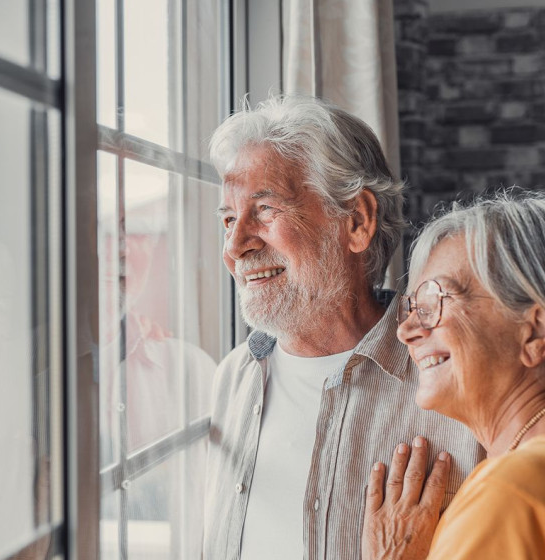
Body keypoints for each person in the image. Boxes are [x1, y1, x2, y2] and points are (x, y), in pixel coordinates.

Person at [202, 95, 483, 560]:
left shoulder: (456, 381)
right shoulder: (233, 377)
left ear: (356, 221)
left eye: (264, 209)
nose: (235, 246)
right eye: (229, 219)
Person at [361, 190, 545, 560]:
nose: (406, 330)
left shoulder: (510, 497)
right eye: (412, 307)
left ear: (537, 331)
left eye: (434, 303)